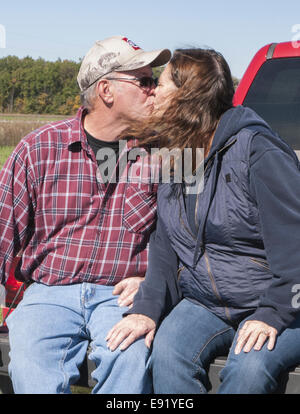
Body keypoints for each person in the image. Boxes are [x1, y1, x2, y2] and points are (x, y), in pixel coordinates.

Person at [106, 47, 300, 394]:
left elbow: (296, 246)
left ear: (186, 96)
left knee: (249, 369)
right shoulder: (177, 154)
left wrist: (273, 313)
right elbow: (165, 244)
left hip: (280, 303)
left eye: (161, 84)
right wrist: (148, 308)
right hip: (207, 303)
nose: (153, 91)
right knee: (167, 352)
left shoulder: (257, 151)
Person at [0, 35, 171, 394]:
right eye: (144, 81)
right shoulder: (39, 148)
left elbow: (186, 237)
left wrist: (153, 282)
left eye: (154, 81)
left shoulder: (164, 153)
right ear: (106, 90)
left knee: (132, 359)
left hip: (123, 293)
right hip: (48, 292)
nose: (154, 90)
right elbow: (2, 229)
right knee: (31, 366)